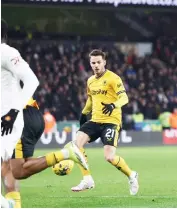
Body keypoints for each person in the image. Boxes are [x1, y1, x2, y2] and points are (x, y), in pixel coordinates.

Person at [1, 19, 88, 208]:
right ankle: (12, 205)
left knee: (17, 170)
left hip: (19, 116)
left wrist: (13, 112)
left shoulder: (6, 53)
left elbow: (32, 81)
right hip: (21, 115)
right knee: (9, 166)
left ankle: (67, 152)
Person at [70, 49, 139, 195]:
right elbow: (91, 98)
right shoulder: (90, 81)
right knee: (76, 145)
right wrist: (83, 113)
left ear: (104, 62)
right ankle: (87, 179)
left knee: (109, 157)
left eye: (98, 62)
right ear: (90, 63)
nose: (96, 65)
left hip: (111, 121)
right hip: (95, 120)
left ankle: (131, 175)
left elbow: (124, 98)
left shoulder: (114, 78)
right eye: (93, 63)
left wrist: (113, 105)